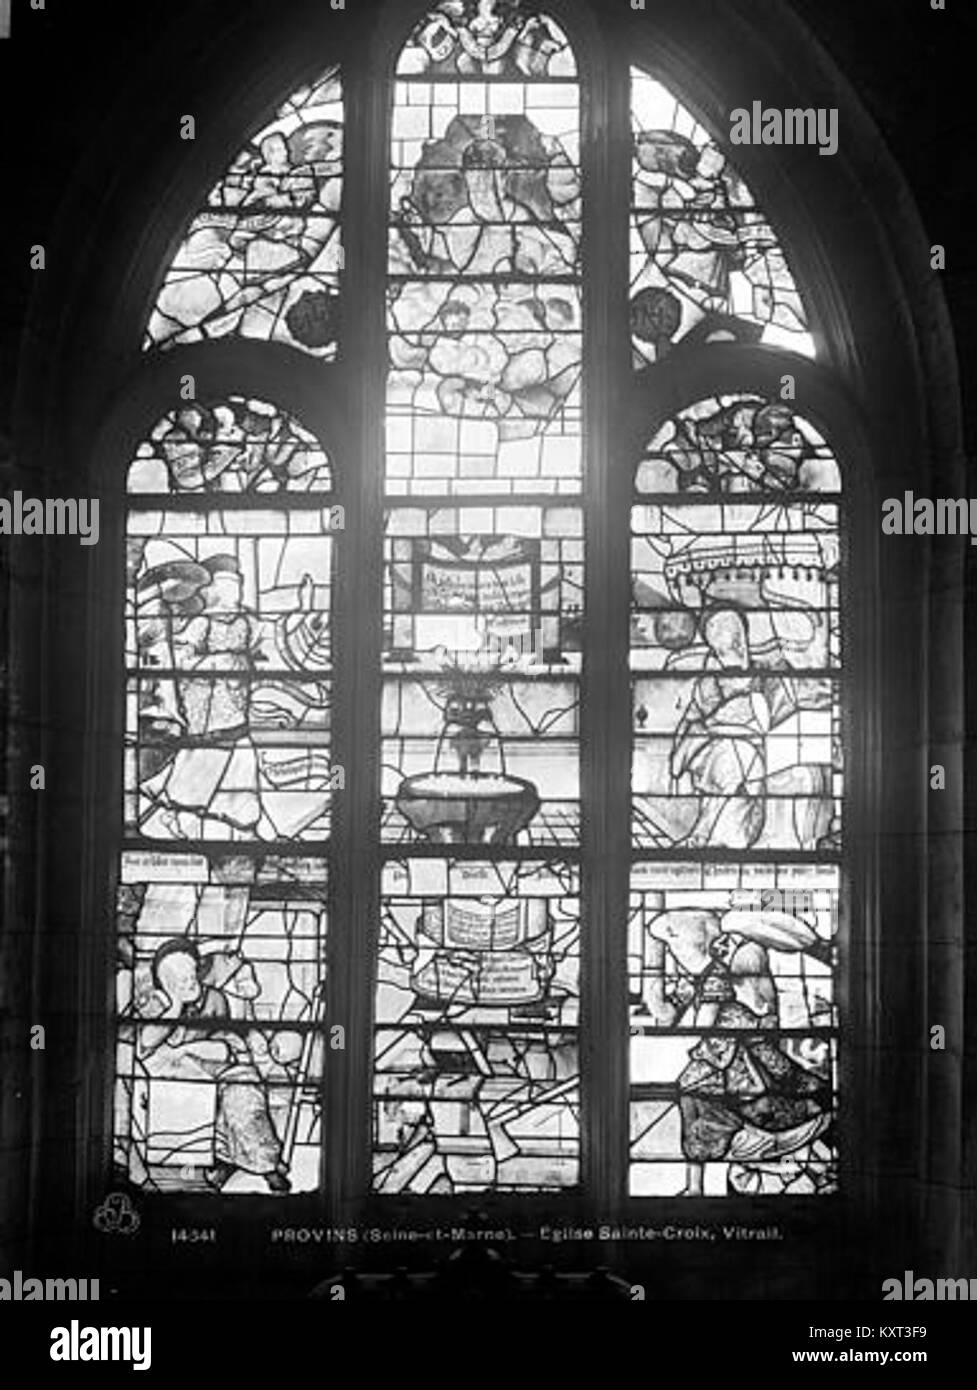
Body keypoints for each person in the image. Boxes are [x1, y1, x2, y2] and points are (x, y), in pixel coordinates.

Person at [643, 907, 831, 1196]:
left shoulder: (720, 974)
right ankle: (699, 1186)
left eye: (673, 944)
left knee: (713, 1106)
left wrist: (688, 1036)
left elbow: (702, 1026)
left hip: (730, 1057)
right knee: (704, 1105)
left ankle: (701, 1187)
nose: (673, 953)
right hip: (730, 1055)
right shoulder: (713, 973)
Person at [139, 937, 291, 1194]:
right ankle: (213, 1164)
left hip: (222, 1066)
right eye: (178, 981)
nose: (188, 982)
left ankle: (266, 1165)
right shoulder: (157, 1005)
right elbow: (147, 1041)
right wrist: (175, 1005)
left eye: (190, 974)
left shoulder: (215, 999)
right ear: (165, 984)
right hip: (178, 1075)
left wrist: (187, 1049)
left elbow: (225, 1045)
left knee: (242, 1095)